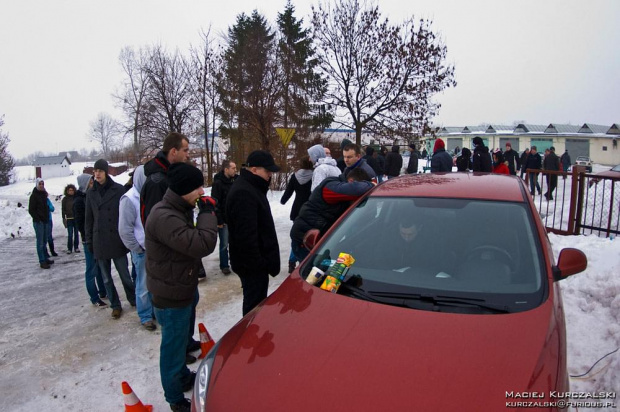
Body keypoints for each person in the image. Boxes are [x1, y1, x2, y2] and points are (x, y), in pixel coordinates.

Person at [145, 162, 218, 412]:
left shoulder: (178, 208)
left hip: (180, 287)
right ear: (183, 190)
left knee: (178, 344)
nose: (201, 191)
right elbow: (201, 244)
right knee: (173, 349)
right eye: (197, 187)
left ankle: (182, 376)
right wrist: (207, 214)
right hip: (171, 295)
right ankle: (175, 398)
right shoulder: (165, 216)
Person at [226, 150, 281, 316]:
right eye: (267, 171)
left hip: (253, 265)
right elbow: (246, 238)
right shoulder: (244, 192)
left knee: (256, 304)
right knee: (253, 307)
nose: (270, 175)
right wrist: (260, 265)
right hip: (252, 267)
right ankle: (250, 338)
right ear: (254, 170)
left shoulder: (252, 186)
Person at [85, 159, 136, 319]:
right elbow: (88, 218)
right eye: (95, 171)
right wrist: (88, 240)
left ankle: (133, 299)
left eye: (100, 171)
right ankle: (115, 305)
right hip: (99, 239)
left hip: (116, 238)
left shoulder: (118, 190)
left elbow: (125, 214)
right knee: (106, 278)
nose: (97, 174)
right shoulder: (91, 193)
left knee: (125, 275)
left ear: (106, 172)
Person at [290, 168, 374, 263]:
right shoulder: (330, 186)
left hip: (319, 240)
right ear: (351, 182)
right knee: (311, 274)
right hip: (305, 241)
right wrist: (372, 185)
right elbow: (358, 189)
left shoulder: (341, 190)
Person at [118, 165, 155, 331]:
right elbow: (124, 230)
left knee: (155, 283)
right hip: (141, 250)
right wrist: (137, 248)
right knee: (143, 286)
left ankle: (155, 311)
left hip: (154, 248)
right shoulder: (129, 199)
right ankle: (145, 315)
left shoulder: (149, 195)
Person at [140, 132, 191, 225]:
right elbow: (155, 224)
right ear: (174, 152)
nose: (188, 155)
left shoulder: (174, 174)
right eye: (185, 150)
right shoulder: (157, 183)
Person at [74, 174, 107, 306]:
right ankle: (94, 297)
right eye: (91, 182)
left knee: (99, 267)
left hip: (97, 237)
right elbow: (81, 224)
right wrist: (88, 236)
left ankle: (103, 291)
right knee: (91, 270)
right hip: (88, 240)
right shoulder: (79, 201)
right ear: (85, 184)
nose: (93, 184)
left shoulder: (89, 196)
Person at [281, 156, 314, 273]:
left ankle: (292, 261)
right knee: (309, 237)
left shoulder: (295, 176)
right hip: (310, 210)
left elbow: (289, 190)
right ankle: (303, 262)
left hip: (297, 209)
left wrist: (283, 200)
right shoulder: (314, 176)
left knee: (296, 237)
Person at [210, 159, 237, 276]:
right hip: (224, 219)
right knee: (224, 243)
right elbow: (215, 203)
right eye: (233, 168)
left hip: (235, 218)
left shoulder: (236, 180)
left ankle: (235, 262)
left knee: (235, 242)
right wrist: (219, 219)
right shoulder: (218, 183)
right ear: (226, 169)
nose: (235, 170)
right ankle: (224, 265)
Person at [28, 178, 53, 269]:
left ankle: (45, 257)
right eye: (40, 184)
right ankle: (42, 260)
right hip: (39, 222)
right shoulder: (34, 196)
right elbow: (31, 210)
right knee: (40, 242)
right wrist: (38, 219)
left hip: (45, 220)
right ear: (37, 185)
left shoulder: (44, 195)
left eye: (43, 184)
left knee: (44, 240)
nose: (41, 185)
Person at [61, 184, 80, 253]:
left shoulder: (76, 198)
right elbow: (63, 209)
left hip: (76, 218)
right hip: (69, 218)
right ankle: (69, 248)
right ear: (67, 191)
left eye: (72, 190)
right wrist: (63, 218)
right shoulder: (65, 199)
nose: (71, 192)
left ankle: (76, 247)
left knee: (76, 233)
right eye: (69, 190)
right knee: (70, 234)